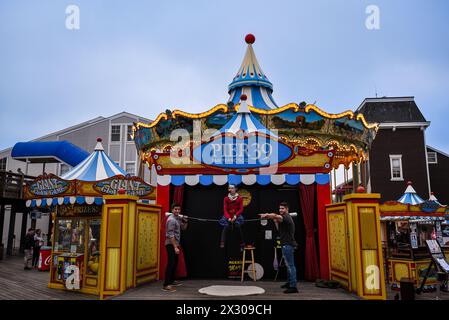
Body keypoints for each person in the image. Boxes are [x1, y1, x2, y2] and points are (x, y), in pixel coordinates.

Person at [260, 202, 298, 294]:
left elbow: (276, 216)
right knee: (288, 265)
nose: (281, 210)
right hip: (285, 244)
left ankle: (293, 287)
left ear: (287, 209)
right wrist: (274, 220)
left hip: (288, 245)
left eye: (282, 208)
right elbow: (279, 229)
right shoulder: (283, 218)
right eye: (280, 208)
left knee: (290, 266)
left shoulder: (286, 217)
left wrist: (267, 215)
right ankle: (289, 283)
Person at [163, 203, 188, 292]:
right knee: (171, 264)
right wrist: (175, 247)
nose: (177, 211)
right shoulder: (171, 220)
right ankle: (166, 284)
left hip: (176, 244)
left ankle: (172, 280)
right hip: (171, 244)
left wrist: (185, 221)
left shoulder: (177, 219)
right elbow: (170, 235)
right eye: (175, 209)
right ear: (172, 210)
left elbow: (184, 228)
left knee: (175, 263)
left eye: (178, 209)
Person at [219, 184, 245, 248]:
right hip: (228, 215)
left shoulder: (239, 198)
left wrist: (235, 216)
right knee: (226, 226)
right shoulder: (226, 198)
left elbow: (241, 209)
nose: (231, 189)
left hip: (237, 215)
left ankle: (242, 243)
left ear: (236, 189)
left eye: (232, 188)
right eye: (229, 188)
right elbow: (225, 209)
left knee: (237, 226)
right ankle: (222, 242)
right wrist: (228, 218)